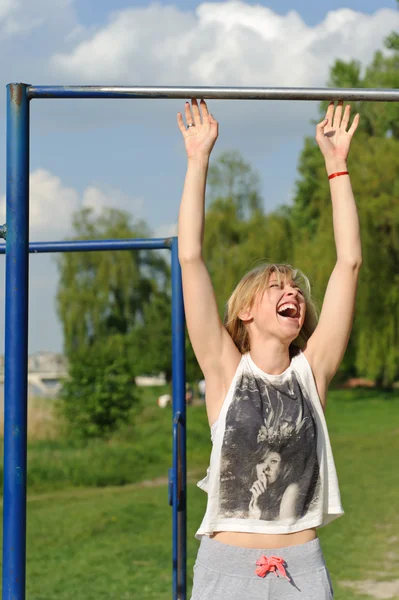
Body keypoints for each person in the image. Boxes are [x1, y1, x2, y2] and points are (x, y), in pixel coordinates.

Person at [177, 98, 361, 599]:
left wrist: (336, 166)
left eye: (297, 289)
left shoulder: (312, 372)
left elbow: (348, 263)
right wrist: (198, 160)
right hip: (226, 570)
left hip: (302, 570)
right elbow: (190, 258)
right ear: (245, 311)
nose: (292, 293)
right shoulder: (223, 371)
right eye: (276, 286)